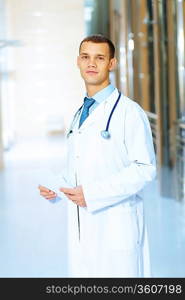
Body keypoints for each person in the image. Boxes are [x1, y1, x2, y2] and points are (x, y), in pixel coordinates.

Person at [38, 34, 156, 278]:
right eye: (86, 57)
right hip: (83, 230)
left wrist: (92, 194)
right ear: (78, 62)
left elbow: (145, 168)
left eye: (99, 58)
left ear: (111, 64)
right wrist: (58, 190)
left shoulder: (128, 112)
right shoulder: (80, 113)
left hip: (117, 227)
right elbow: (80, 166)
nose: (91, 63)